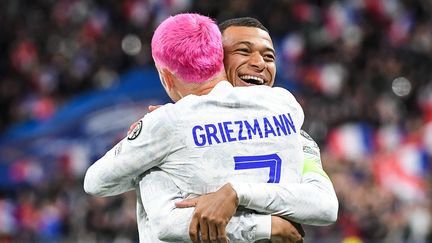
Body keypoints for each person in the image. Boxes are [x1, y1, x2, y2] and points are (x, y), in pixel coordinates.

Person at [84, 14, 337, 242]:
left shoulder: (290, 123)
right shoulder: (288, 109)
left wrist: (152, 141)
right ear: (217, 60)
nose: (259, 63)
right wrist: (266, 224)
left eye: (269, 56)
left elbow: (325, 204)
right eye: (243, 51)